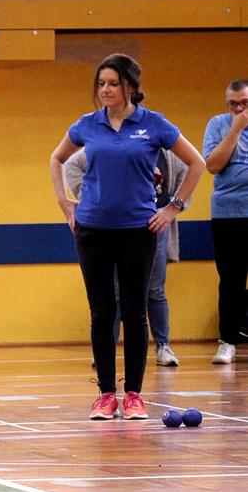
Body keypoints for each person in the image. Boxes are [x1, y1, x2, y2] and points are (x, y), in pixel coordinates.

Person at [50, 53, 204, 421]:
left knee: (136, 313)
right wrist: (65, 203)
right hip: (92, 231)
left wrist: (173, 207)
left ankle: (134, 394)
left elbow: (196, 162)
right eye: (101, 83)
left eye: (113, 83)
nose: (105, 89)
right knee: (102, 312)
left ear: (131, 87)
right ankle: (105, 394)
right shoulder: (87, 125)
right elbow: (57, 159)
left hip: (139, 230)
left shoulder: (154, 125)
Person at [63, 147, 189, 367]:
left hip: (154, 225)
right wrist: (89, 197)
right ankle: (106, 348)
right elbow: (70, 163)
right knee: (115, 291)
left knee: (154, 289)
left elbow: (190, 169)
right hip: (117, 226)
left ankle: (163, 346)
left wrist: (173, 207)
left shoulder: (169, 152)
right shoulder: (113, 145)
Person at [202, 79, 248, 365]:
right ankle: (227, 340)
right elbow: (212, 165)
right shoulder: (218, 124)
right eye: (233, 104)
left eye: (244, 103)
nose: (239, 108)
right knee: (230, 279)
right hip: (228, 214)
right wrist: (236, 127)